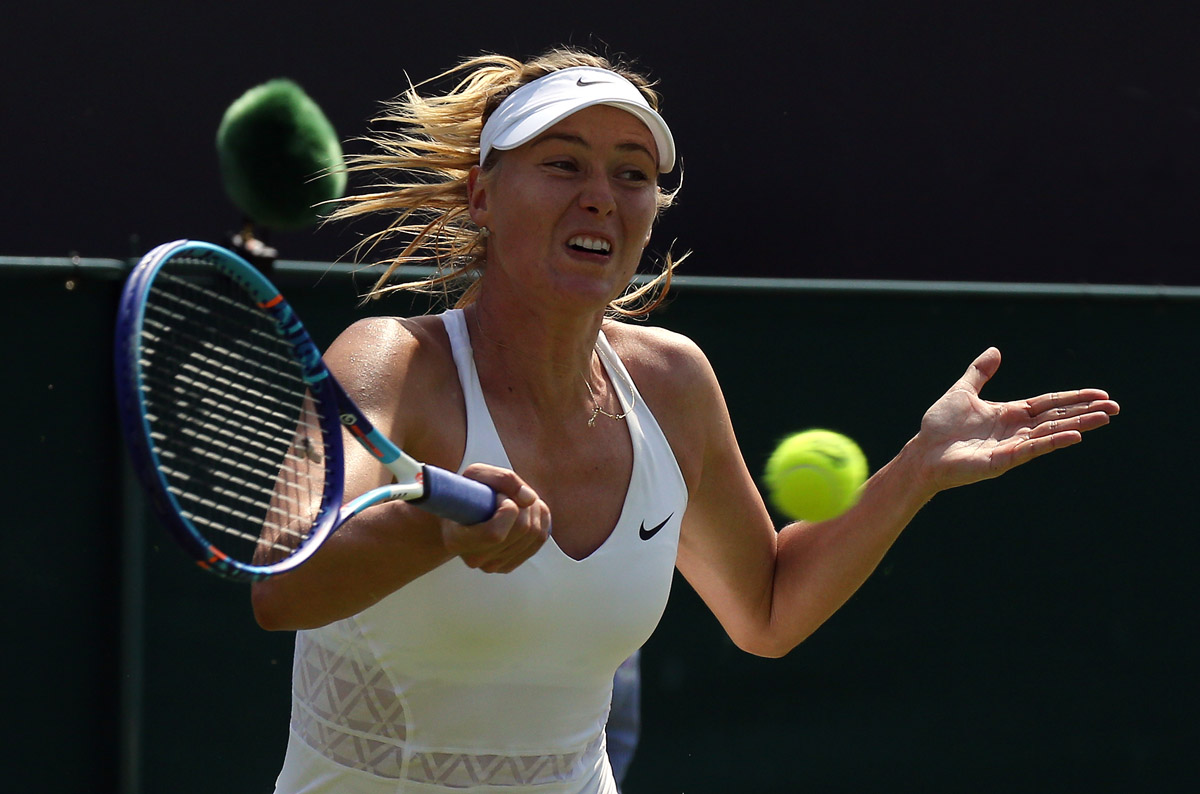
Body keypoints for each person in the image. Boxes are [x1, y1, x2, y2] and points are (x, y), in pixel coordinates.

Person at [251, 47, 1119, 794]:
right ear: (483, 194)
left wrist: (915, 470)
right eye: (564, 164)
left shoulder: (671, 383)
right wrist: (435, 532)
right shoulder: (392, 362)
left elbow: (766, 609)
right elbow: (282, 584)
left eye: (632, 173)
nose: (602, 196)